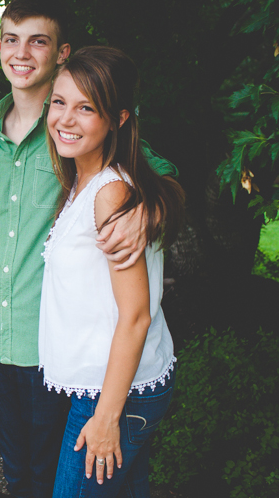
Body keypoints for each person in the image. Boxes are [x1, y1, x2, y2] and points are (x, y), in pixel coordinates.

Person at [0, 0, 176, 498]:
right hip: (2, 337)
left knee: (57, 480)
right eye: (11, 39)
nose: (21, 53)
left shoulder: (96, 162)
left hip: (74, 364)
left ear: (61, 52)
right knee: (29, 475)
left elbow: (156, 177)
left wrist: (149, 207)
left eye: (38, 41)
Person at [39, 46, 184, 497]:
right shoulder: (85, 182)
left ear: (118, 118)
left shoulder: (111, 192)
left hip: (113, 393)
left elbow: (136, 314)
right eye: (60, 102)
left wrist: (106, 417)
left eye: (86, 108)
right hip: (110, 384)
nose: (66, 118)